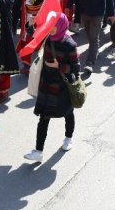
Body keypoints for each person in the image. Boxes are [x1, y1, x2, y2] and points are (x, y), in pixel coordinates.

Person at [24, 13, 80, 162]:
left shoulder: (70, 44)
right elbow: (34, 37)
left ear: (61, 25)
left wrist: (59, 66)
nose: (51, 27)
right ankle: (38, 151)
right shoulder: (48, 37)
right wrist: (31, 24)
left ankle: (68, 138)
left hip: (63, 87)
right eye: (50, 24)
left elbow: (76, 68)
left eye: (54, 25)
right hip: (47, 85)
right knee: (43, 118)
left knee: (68, 112)